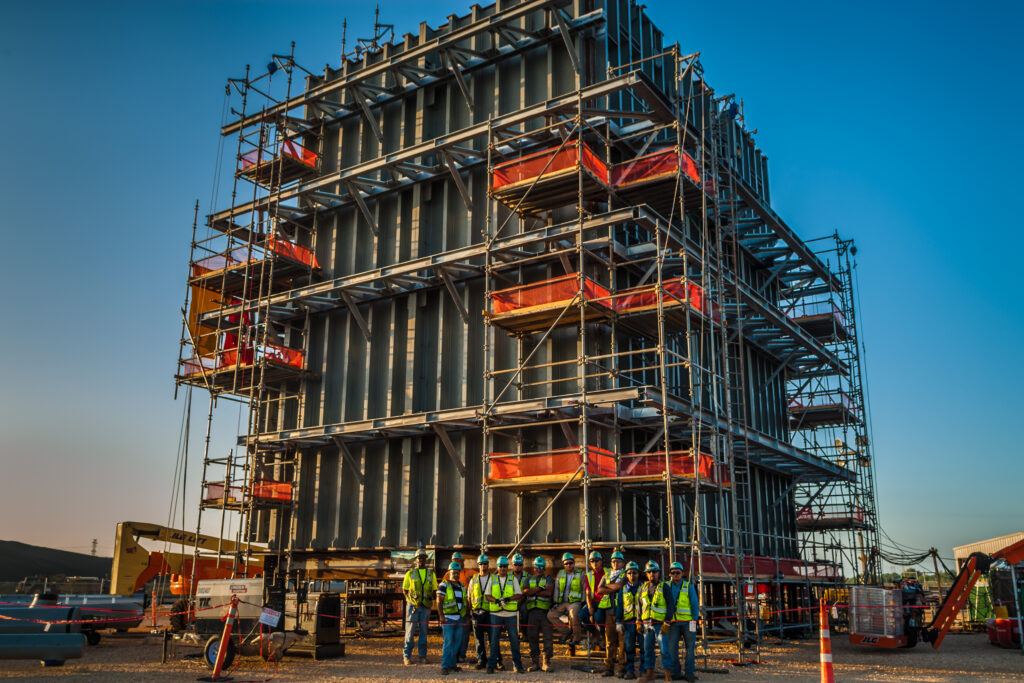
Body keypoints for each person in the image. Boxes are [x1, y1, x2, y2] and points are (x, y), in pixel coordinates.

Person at [485, 555, 524, 674]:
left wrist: (508, 599)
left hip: (510, 614)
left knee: (514, 640)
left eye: (504, 566)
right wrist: (496, 601)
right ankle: (491, 665)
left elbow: (519, 594)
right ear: (497, 567)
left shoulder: (513, 579)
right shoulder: (492, 579)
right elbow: (487, 595)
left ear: (508, 567)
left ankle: (517, 665)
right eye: (500, 566)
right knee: (494, 641)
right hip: (496, 614)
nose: (502, 568)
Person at [663, 561, 700, 682]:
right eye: (673, 573)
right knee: (672, 649)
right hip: (673, 623)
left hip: (688, 623)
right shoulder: (665, 586)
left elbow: (694, 605)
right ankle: (676, 672)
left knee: (690, 648)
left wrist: (694, 622)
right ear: (670, 574)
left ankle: (689, 673)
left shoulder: (688, 586)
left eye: (678, 572)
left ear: (682, 573)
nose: (675, 575)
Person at [402, 548, 437, 665]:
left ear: (426, 560)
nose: (421, 560)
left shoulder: (431, 574)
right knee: (410, 631)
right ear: (416, 560)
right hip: (413, 607)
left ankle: (422, 656)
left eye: (423, 558)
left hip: (425, 607)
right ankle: (407, 656)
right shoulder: (410, 574)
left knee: (423, 632)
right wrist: (411, 601)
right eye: (419, 558)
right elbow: (405, 590)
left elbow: (434, 591)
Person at [595, 550, 627, 676]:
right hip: (609, 612)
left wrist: (607, 587)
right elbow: (599, 590)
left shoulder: (626, 573)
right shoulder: (607, 574)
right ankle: (609, 667)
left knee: (622, 642)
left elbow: (620, 586)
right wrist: (611, 587)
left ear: (622, 563)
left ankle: (621, 668)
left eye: (618, 561)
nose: (615, 563)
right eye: (613, 561)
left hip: (622, 612)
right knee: (610, 642)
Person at [468, 554, 503, 670]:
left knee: (493, 638)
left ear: (488, 565)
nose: (483, 566)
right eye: (481, 564)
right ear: (478, 566)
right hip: (477, 613)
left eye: (485, 564)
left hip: (490, 613)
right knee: (478, 639)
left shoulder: (494, 579)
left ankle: (497, 660)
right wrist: (471, 611)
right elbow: (469, 597)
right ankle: (481, 660)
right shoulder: (473, 579)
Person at [522, 556, 555, 672]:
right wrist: (540, 588)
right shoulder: (528, 579)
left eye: (541, 567)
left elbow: (549, 593)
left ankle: (546, 662)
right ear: (534, 568)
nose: (539, 569)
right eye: (537, 567)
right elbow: (526, 592)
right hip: (532, 612)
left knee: (547, 637)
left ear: (544, 568)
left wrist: (534, 593)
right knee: (532, 638)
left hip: (545, 612)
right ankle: (535, 662)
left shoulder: (548, 578)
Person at [638, 560, 668, 682]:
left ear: (659, 573)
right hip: (646, 624)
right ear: (646, 574)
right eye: (649, 572)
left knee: (664, 651)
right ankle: (649, 676)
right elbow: (639, 606)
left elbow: (670, 605)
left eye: (654, 572)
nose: (652, 574)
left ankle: (668, 677)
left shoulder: (664, 586)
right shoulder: (643, 587)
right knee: (648, 651)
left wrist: (667, 622)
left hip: (660, 624)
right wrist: (638, 621)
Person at [437, 562, 469, 675]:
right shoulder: (444, 585)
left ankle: (452, 665)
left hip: (459, 618)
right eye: (453, 573)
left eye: (457, 573)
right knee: (448, 642)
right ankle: (445, 666)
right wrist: (441, 616)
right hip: (448, 618)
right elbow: (439, 601)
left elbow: (465, 602)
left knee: (457, 642)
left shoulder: (462, 587)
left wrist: (466, 617)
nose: (455, 575)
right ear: (449, 573)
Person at [547, 552, 585, 644]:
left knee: (573, 615)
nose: (568, 565)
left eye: (570, 563)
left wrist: (583, 602)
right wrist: (556, 602)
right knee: (551, 615)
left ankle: (576, 637)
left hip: (575, 602)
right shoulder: (561, 573)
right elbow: (556, 588)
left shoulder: (581, 573)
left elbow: (584, 588)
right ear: (563, 565)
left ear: (574, 563)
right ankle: (566, 632)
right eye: (566, 563)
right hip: (563, 602)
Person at [618, 561, 643, 680]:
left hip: (642, 623)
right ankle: (630, 671)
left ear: (638, 574)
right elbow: (620, 606)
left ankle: (643, 671)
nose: (632, 575)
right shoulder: (623, 590)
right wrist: (618, 621)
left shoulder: (644, 588)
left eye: (634, 573)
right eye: (629, 573)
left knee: (644, 648)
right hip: (628, 623)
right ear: (626, 575)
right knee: (629, 649)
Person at [511, 553, 529, 641]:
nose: (517, 567)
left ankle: (524, 632)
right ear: (512, 565)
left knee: (524, 610)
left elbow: (528, 591)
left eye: (519, 565)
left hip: (523, 599)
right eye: (515, 564)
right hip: (511, 600)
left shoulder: (527, 576)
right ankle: (511, 631)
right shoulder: (508, 577)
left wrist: (521, 600)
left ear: (522, 565)